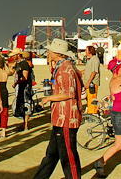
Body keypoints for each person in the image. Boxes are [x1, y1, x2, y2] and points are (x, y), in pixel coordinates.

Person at [33, 38, 83, 179]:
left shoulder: (65, 69)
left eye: (50, 51)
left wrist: (48, 98)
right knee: (51, 155)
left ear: (57, 53)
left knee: (68, 157)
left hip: (66, 119)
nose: (48, 52)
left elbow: (68, 93)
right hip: (60, 120)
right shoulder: (67, 67)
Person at [10, 47, 33, 130]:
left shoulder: (24, 64)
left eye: (14, 55)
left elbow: (25, 77)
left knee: (26, 105)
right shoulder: (19, 63)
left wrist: (16, 83)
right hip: (21, 87)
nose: (12, 57)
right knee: (21, 104)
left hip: (25, 87)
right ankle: (24, 124)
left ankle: (26, 125)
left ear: (18, 55)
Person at [0, 56, 14, 138]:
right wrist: (8, 65)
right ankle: (3, 132)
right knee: (5, 111)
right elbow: (12, 71)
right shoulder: (5, 73)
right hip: (4, 91)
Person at [81, 46, 101, 115]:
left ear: (90, 51)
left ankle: (93, 113)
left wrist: (88, 82)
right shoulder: (90, 59)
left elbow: (94, 72)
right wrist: (80, 72)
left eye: (86, 50)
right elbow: (87, 70)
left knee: (92, 99)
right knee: (88, 99)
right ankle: (90, 112)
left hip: (92, 83)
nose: (85, 52)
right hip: (88, 82)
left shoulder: (95, 59)